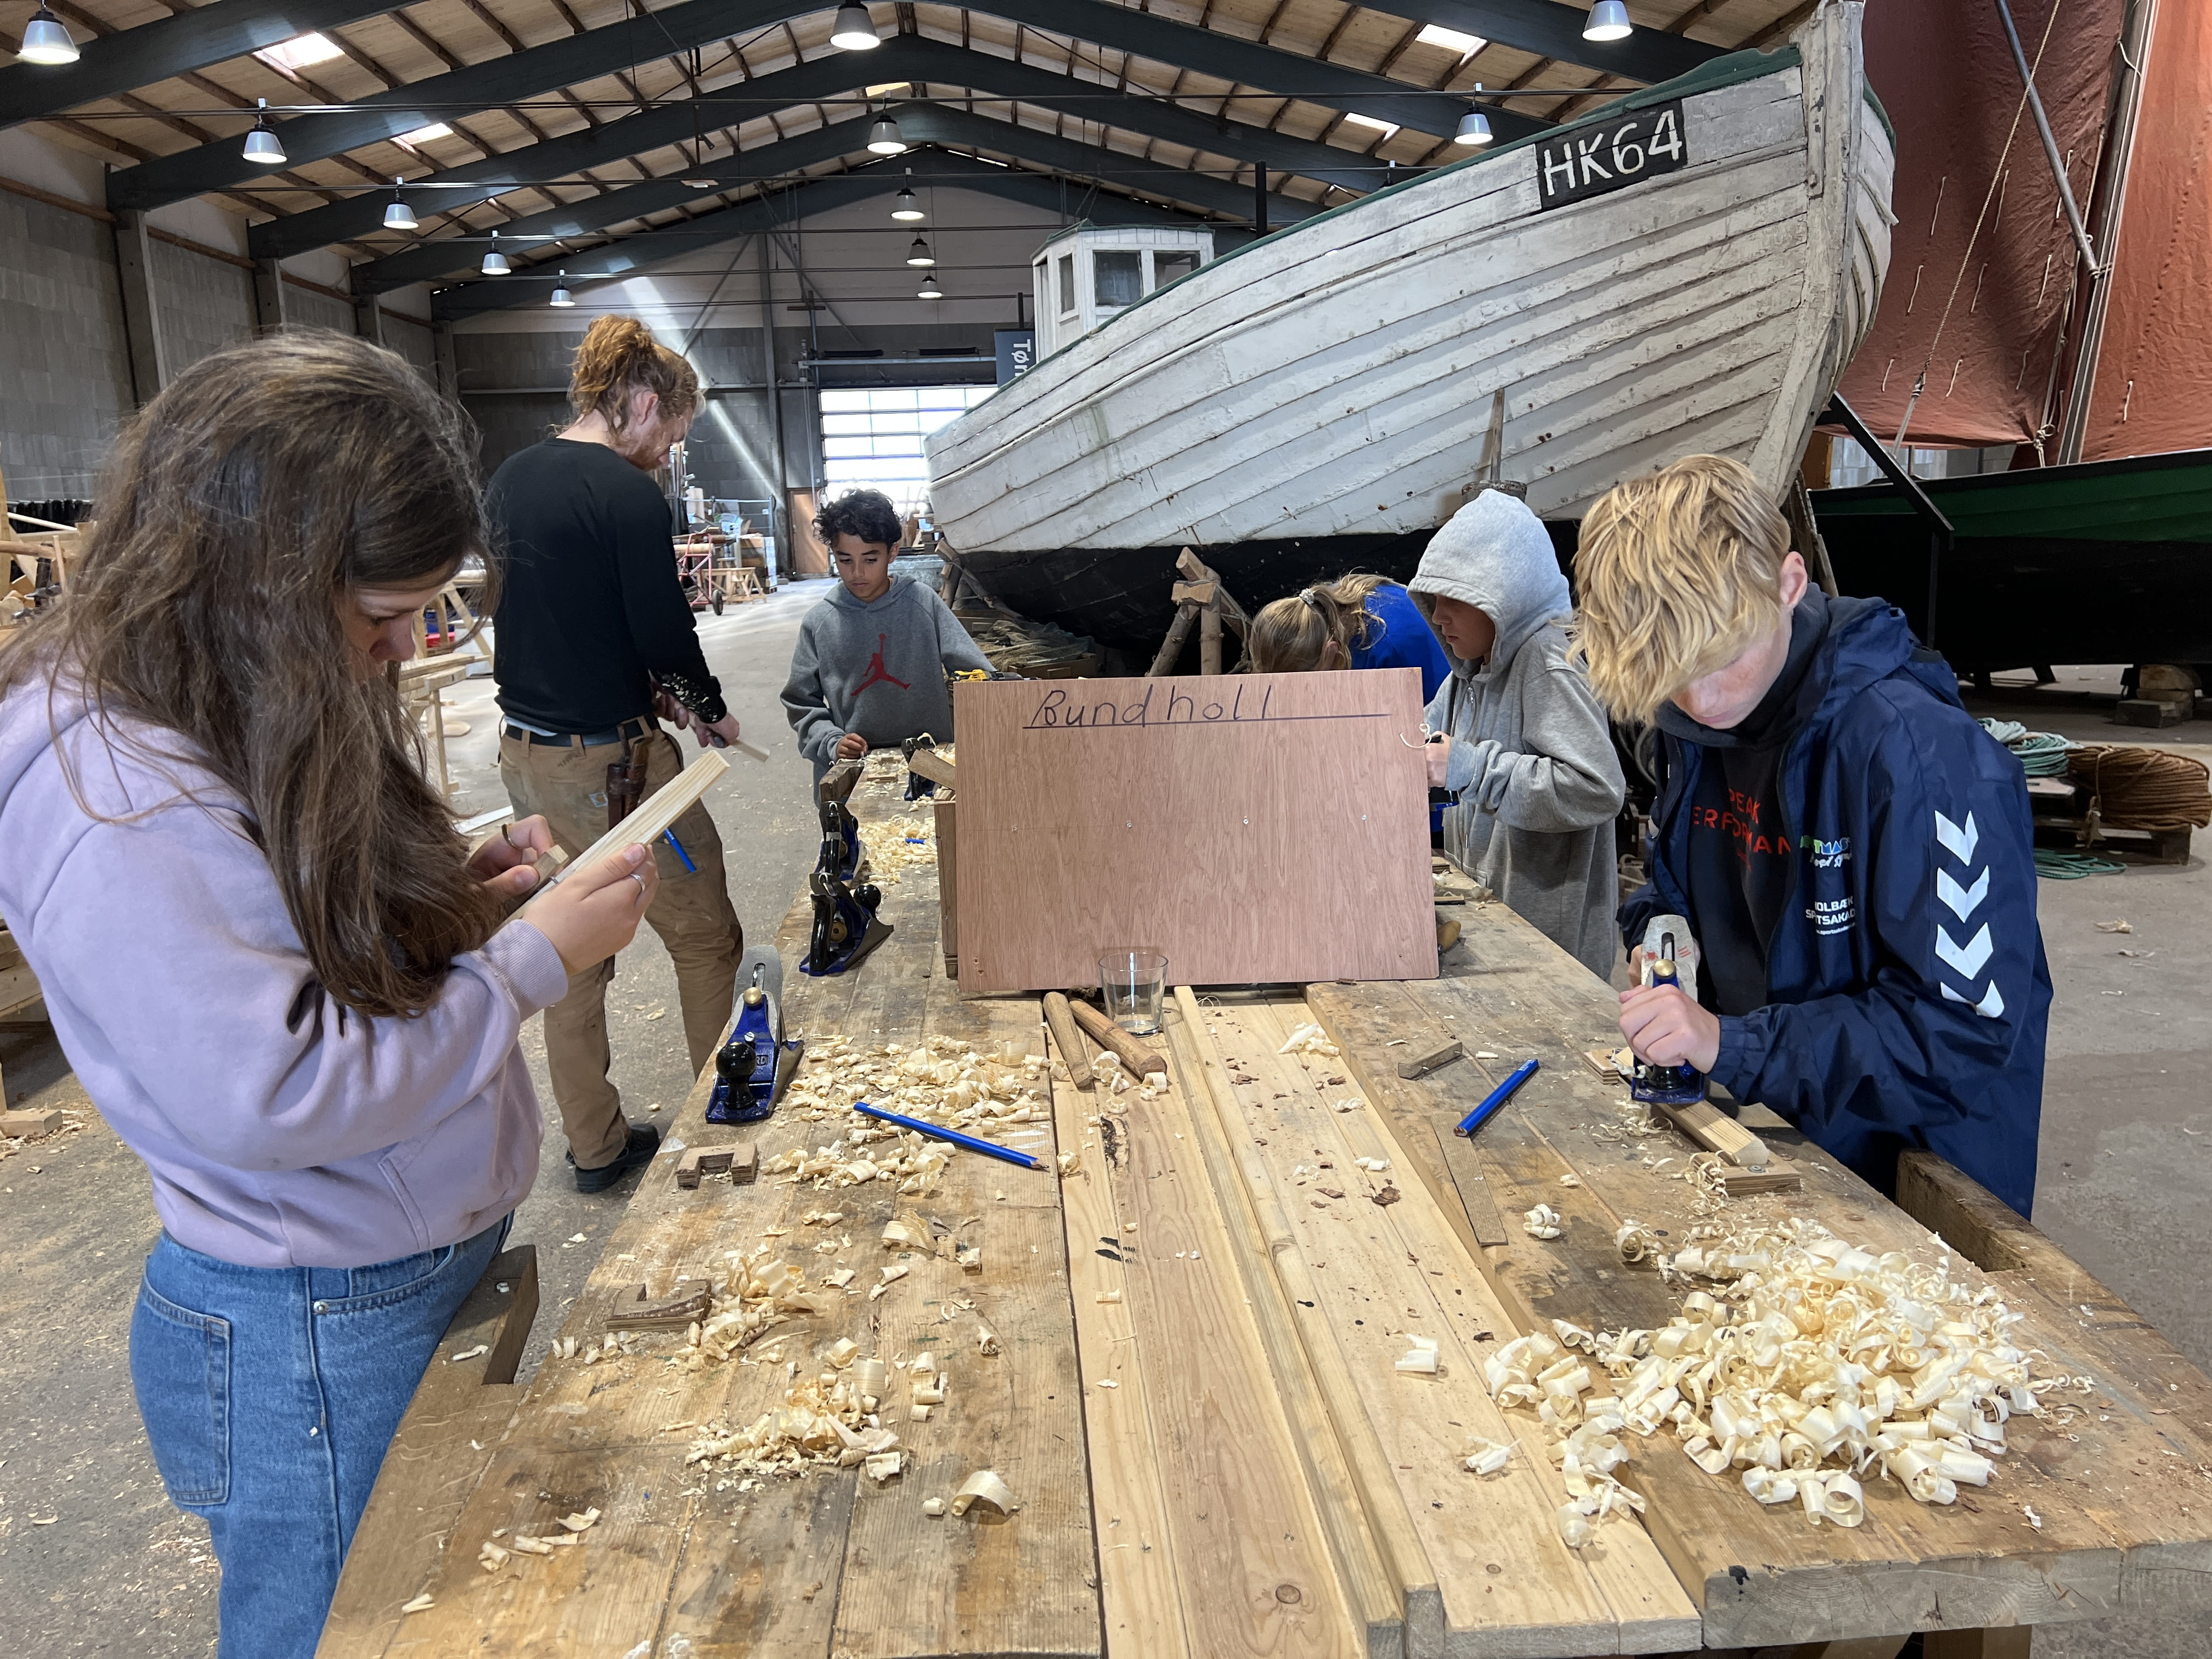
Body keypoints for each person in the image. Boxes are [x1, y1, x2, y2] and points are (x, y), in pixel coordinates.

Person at [0, 334, 659, 1656]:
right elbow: (280, 1086)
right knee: (335, 1634)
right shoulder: (114, 788)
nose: (404, 649)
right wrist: (529, 963)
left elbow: (282, 952)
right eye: (375, 621)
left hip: (371, 1285)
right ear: (250, 580)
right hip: (308, 1330)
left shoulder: (218, 692)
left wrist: (454, 907)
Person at [1575, 454, 2049, 1216]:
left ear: (1789, 586)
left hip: (1910, 1162)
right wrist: (1662, 937)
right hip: (1770, 1122)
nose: (1700, 698)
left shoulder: (1925, 761)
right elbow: (1674, 882)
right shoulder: (1689, 726)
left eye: (1721, 656)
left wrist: (1731, 1046)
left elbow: (1960, 1032)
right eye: (1671, 671)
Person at [487, 315, 748, 1192]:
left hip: (527, 754)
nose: (667, 455)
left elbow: (565, 617)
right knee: (708, 937)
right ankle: (728, 1132)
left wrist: (642, 684)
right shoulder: (628, 493)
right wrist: (707, 708)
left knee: (569, 954)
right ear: (640, 404)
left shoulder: (512, 477)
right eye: (671, 435)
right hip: (615, 771)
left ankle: (595, 1146)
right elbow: (660, 626)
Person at [1410, 488, 1627, 978]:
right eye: (1434, 599)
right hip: (1498, 922)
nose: (1439, 616)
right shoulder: (1468, 672)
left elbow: (1597, 790)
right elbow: (1416, 735)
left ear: (1504, 599)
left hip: (1548, 949)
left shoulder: (1548, 665)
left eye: (1455, 600)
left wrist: (1470, 768)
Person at [782, 488, 991, 781]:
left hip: (932, 761)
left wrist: (1014, 696)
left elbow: (977, 672)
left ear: (892, 553)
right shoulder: (819, 623)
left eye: (870, 560)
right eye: (845, 560)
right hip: (854, 771)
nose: (857, 573)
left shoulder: (923, 604)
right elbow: (801, 701)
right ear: (834, 555)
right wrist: (830, 740)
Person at [1245, 573, 1454, 704]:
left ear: (1331, 651)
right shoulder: (1320, 610)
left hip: (1436, 689)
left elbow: (1438, 714)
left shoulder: (1384, 649)